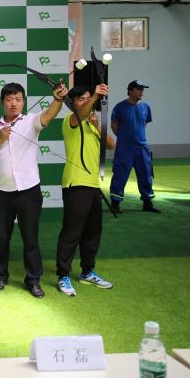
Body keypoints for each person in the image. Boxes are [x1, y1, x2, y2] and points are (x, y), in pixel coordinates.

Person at [0, 81, 68, 299]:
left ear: (23, 102)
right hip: (2, 193)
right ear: (2, 102)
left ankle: (33, 280)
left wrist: (58, 99)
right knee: (2, 238)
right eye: (9, 99)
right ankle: (0, 276)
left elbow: (49, 115)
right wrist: (1, 137)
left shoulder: (31, 121)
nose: (14, 104)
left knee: (31, 238)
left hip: (29, 191)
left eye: (18, 99)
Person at [55, 84, 116, 297]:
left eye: (88, 98)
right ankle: (63, 275)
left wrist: (97, 124)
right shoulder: (70, 120)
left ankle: (87, 271)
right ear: (72, 103)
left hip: (93, 185)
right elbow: (80, 113)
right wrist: (96, 96)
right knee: (72, 232)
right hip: (75, 183)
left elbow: (111, 144)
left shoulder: (91, 122)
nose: (86, 101)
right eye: (81, 98)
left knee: (92, 232)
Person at [109, 80, 161, 213]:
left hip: (142, 148)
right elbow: (114, 125)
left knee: (146, 175)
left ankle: (147, 203)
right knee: (120, 175)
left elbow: (144, 124)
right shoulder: (120, 107)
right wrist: (124, 138)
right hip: (125, 148)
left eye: (142, 89)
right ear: (130, 91)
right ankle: (115, 204)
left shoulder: (146, 107)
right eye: (138, 89)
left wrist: (138, 138)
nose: (142, 91)